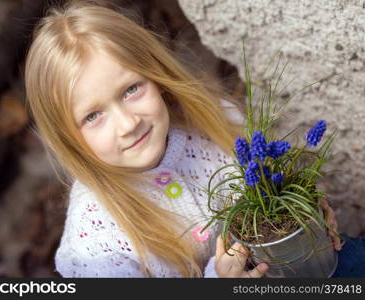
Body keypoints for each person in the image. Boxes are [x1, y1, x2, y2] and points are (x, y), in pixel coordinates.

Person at [24, 0, 344, 278]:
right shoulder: (95, 241)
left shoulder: (214, 122)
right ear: (68, 136)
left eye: (131, 89)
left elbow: (270, 194)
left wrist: (306, 215)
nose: (127, 124)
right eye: (93, 116)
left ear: (156, 74)